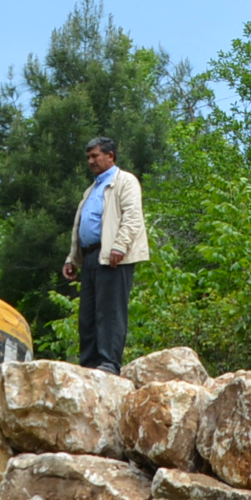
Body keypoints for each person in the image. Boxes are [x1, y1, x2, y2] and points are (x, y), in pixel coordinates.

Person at [59, 135, 148, 373]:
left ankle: (109, 364)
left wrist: (119, 245)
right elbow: (82, 225)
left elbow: (132, 216)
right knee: (87, 315)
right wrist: (72, 258)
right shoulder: (92, 189)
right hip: (90, 257)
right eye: (88, 157)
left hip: (113, 256)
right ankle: (89, 365)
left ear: (110, 156)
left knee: (109, 312)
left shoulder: (125, 181)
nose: (91, 161)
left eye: (95, 156)